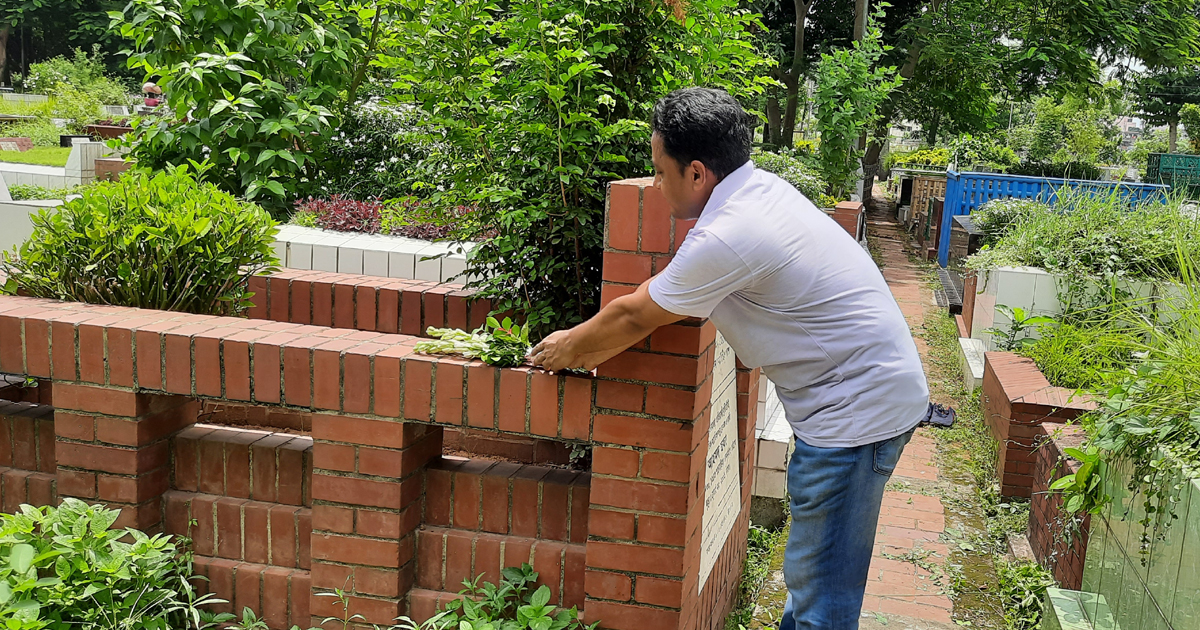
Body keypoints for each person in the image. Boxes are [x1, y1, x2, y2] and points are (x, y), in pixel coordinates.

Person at [529, 87, 930, 630]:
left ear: (697, 173)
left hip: (854, 422)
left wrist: (561, 349)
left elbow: (631, 317)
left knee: (822, 607)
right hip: (867, 400)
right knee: (816, 590)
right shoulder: (759, 192)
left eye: (659, 170)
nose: (653, 184)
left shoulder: (728, 234)